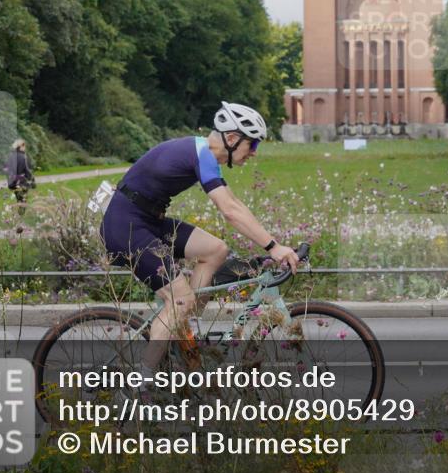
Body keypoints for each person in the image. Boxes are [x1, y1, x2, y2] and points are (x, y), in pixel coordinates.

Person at [100, 101, 300, 392]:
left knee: (215, 250)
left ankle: (182, 330)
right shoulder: (202, 153)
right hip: (126, 227)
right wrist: (273, 247)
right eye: (252, 144)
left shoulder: (201, 153)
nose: (254, 152)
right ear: (232, 139)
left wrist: (273, 243)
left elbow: (235, 204)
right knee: (179, 299)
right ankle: (136, 389)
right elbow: (229, 210)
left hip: (146, 221)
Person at [5, 139, 35, 212]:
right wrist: (32, 179)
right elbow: (26, 170)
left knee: (19, 198)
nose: (25, 148)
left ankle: (19, 214)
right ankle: (21, 214)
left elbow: (8, 169)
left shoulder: (11, 155)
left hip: (13, 182)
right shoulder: (22, 156)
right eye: (24, 146)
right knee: (23, 199)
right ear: (21, 146)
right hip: (22, 181)